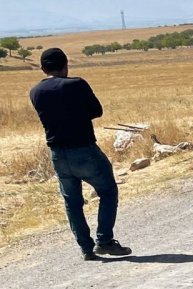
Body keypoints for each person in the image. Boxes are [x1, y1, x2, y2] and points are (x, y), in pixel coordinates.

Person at [28, 48, 131, 261]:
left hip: (57, 154)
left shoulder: (35, 91)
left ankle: (86, 248)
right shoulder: (76, 84)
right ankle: (104, 241)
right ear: (65, 65)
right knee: (108, 191)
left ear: (42, 68)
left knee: (72, 202)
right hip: (84, 149)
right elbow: (96, 110)